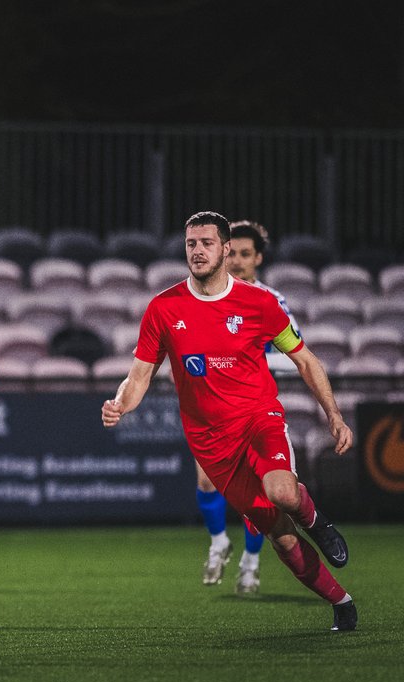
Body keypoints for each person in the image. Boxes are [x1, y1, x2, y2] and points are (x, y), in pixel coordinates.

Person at [102, 211, 357, 632]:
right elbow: (140, 374)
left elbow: (305, 360)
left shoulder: (260, 304)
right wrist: (120, 403)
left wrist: (334, 415)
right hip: (211, 444)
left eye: (206, 243)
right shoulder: (163, 308)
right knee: (278, 532)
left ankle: (319, 522)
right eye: (191, 244)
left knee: (283, 493)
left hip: (259, 418)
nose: (197, 251)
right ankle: (341, 602)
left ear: (224, 249)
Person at [196, 220, 301, 594]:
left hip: (254, 407)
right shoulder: (204, 295)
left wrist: (252, 363)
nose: (237, 261)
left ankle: (251, 562)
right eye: (232, 252)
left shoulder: (271, 301)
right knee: (207, 480)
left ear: (258, 258)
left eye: (245, 254)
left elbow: (295, 355)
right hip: (212, 406)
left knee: (254, 493)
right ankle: (220, 541)